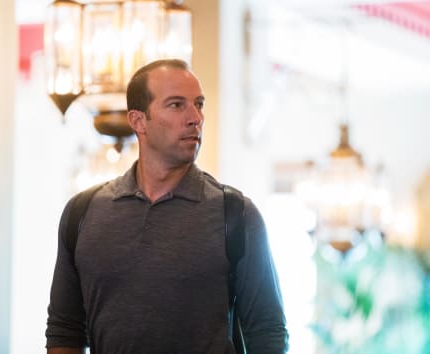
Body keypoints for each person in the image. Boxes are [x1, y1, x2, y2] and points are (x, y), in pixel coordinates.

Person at [45, 59, 288, 354]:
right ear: (138, 121)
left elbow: (268, 332)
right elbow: (64, 329)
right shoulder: (82, 213)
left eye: (199, 104)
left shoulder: (235, 214)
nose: (195, 117)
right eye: (176, 105)